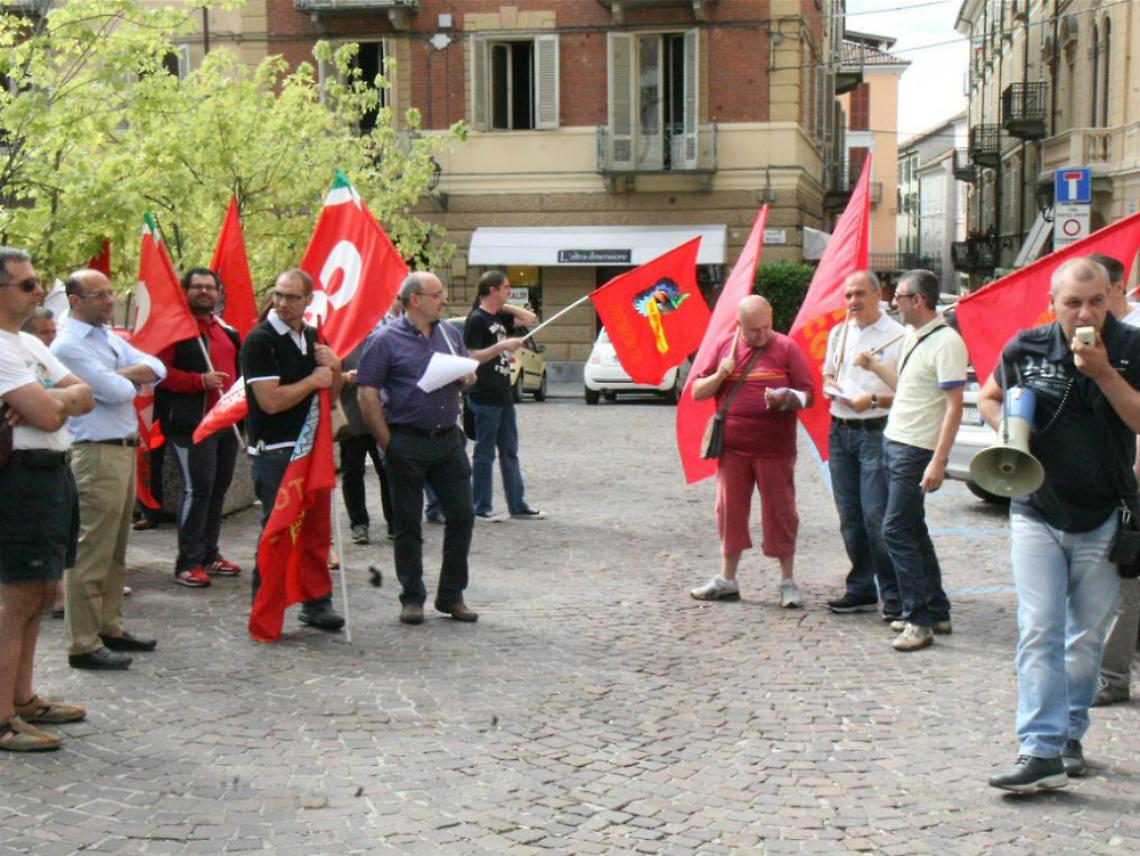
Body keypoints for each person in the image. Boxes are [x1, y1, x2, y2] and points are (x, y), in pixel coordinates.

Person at [980, 257, 1140, 792]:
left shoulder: (1131, 347)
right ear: (1053, 304)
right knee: (1039, 629)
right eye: (1072, 303)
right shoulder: (1025, 347)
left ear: (1112, 298)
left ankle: (1071, 731)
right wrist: (1009, 430)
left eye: (1095, 301)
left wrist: (1103, 372)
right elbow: (989, 395)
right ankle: (1040, 747)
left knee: (1085, 638)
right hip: (1035, 509)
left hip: (1102, 513)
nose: (1085, 312)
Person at [0, 247, 94, 750]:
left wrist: (50, 398)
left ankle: (21, 697)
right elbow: (54, 414)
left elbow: (83, 395)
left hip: (52, 473)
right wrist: (54, 401)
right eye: (28, 285)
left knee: (39, 590)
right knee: (17, 597)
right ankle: (2, 717)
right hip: (20, 478)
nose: (40, 292)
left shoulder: (26, 344)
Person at [52, 269, 165, 670]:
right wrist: (127, 379)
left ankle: (109, 625)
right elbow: (120, 390)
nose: (108, 300)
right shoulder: (68, 345)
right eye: (98, 295)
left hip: (122, 450)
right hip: (94, 453)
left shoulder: (105, 337)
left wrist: (119, 378)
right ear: (74, 299)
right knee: (91, 551)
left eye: (110, 292)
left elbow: (156, 366)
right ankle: (82, 642)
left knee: (115, 549)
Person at [357, 272, 479, 625]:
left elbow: (466, 376)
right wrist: (387, 443)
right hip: (405, 440)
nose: (443, 300)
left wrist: (468, 378)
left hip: (447, 439)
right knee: (408, 523)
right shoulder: (384, 340)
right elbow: (367, 393)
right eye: (436, 294)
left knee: (462, 515)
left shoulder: (448, 333)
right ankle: (412, 597)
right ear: (414, 300)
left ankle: (451, 595)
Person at [854, 269, 966, 652]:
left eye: (898, 296)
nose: (893, 303)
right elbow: (907, 387)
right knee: (912, 529)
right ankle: (936, 609)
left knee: (896, 530)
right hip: (897, 441)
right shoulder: (916, 336)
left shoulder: (946, 342)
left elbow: (954, 407)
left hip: (916, 449)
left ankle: (918, 620)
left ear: (918, 299)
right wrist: (874, 368)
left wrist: (939, 460)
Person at [688, 295, 814, 608]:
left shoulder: (786, 347)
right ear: (739, 326)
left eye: (766, 327)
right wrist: (720, 374)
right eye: (754, 330)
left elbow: (809, 395)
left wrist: (786, 397)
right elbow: (695, 391)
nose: (761, 335)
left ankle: (787, 581)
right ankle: (727, 580)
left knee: (781, 513)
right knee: (729, 511)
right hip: (733, 449)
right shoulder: (723, 346)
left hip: (775, 449)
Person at [241, 269, 344, 632]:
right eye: (279, 294)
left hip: (311, 448)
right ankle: (265, 608)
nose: (283, 303)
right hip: (276, 452)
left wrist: (335, 369)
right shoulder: (259, 340)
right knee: (278, 531)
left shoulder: (314, 336)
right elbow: (269, 401)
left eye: (292, 297)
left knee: (316, 532)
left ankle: (317, 602)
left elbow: (329, 395)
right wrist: (313, 379)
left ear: (308, 301)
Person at [821, 271, 904, 618]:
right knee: (849, 517)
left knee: (876, 515)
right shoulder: (839, 332)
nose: (852, 302)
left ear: (877, 294)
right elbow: (828, 373)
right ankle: (860, 588)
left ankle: (895, 595)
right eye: (847, 295)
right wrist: (833, 387)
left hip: (875, 431)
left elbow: (905, 392)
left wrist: (869, 400)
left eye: (858, 294)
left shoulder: (897, 336)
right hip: (840, 431)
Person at [154, 268, 242, 588]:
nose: (204, 292)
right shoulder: (176, 330)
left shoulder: (227, 331)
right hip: (190, 424)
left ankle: (209, 554)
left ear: (218, 294)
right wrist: (198, 381)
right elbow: (157, 371)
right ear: (185, 291)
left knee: (218, 489)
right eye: (198, 287)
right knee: (198, 488)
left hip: (225, 423)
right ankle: (187, 562)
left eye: (210, 287)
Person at [1088, 252, 1140, 707]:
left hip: (1131, 480)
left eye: (1097, 296)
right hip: (1108, 482)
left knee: (1127, 586)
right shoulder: (1086, 341)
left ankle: (1112, 675)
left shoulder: (1134, 340)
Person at [462, 270, 544, 522]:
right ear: (492, 290)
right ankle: (481, 506)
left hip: (503, 394)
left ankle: (517, 505)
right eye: (505, 288)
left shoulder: (499, 317)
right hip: (484, 395)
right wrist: (500, 346)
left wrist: (504, 306)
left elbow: (531, 317)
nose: (509, 290)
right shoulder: (476, 319)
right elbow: (471, 356)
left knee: (510, 451)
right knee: (485, 453)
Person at [339, 340, 393, 546]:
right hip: (352, 419)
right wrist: (345, 378)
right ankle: (359, 524)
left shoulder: (380, 340)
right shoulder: (343, 341)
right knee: (353, 473)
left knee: (388, 471)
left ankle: (395, 523)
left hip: (381, 418)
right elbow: (329, 379)